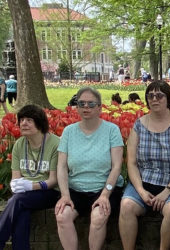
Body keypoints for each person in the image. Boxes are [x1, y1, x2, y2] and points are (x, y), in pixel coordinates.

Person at [119, 81, 170, 250]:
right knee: (126, 206)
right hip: (143, 181)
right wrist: (141, 191)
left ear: (168, 98)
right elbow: (131, 163)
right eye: (150, 95)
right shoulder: (138, 125)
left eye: (159, 95)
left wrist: (167, 191)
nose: (154, 99)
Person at [55, 87, 124, 250]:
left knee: (99, 216)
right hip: (76, 189)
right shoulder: (68, 132)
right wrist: (65, 195)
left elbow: (116, 167)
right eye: (82, 104)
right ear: (77, 107)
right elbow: (61, 166)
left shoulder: (111, 130)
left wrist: (105, 194)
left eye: (91, 104)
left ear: (100, 107)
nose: (86, 107)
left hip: (104, 187)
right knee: (62, 216)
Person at [0, 105, 60, 249]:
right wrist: (16, 185)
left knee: (18, 200)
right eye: (21, 120)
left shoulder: (55, 144)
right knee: (21, 209)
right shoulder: (19, 145)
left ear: (39, 123)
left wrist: (31, 186)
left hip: (49, 192)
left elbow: (54, 180)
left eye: (29, 120)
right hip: (24, 195)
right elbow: (15, 177)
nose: (23, 123)